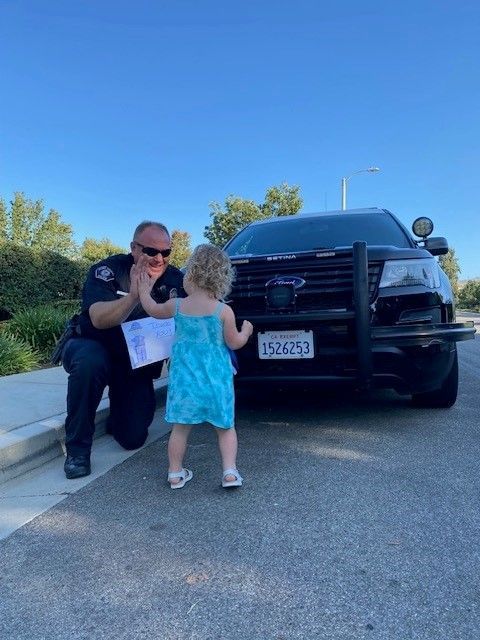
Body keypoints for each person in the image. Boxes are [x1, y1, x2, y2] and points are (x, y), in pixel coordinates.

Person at [61, 221, 185, 479]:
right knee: (89, 364)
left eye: (166, 252)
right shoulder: (108, 270)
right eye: (151, 251)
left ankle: (119, 415)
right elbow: (97, 318)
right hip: (94, 344)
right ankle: (77, 451)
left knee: (132, 437)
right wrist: (134, 297)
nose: (159, 258)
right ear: (134, 248)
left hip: (133, 359)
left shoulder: (175, 279)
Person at [137, 243, 253, 489]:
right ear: (222, 278)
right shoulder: (224, 311)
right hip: (216, 383)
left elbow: (152, 310)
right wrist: (246, 331)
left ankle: (175, 473)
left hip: (185, 383)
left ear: (191, 274)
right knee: (225, 427)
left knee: (180, 429)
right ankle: (230, 472)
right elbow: (234, 343)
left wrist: (143, 290)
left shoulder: (177, 305)